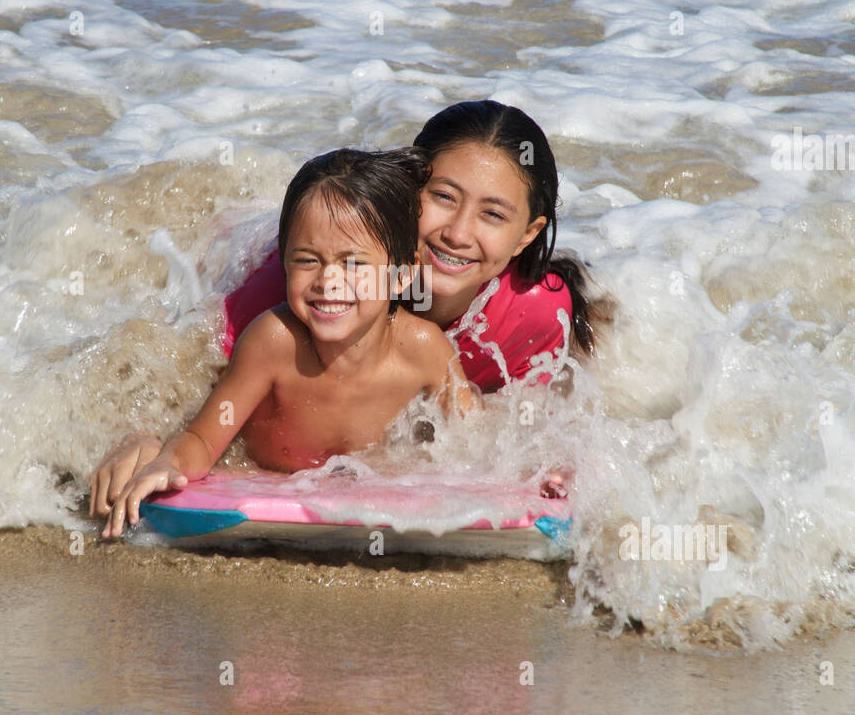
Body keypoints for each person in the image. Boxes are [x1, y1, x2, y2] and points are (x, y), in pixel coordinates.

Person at [91, 100, 610, 516]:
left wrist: (549, 463)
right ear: (407, 192)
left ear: (527, 235)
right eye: (444, 197)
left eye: (493, 214)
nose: (457, 232)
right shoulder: (295, 287)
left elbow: (498, 431)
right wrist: (143, 435)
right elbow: (191, 377)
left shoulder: (532, 314)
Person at [102, 148, 475, 538]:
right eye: (307, 260)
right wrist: (169, 463)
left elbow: (480, 440)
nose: (328, 281)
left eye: (353, 263)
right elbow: (202, 438)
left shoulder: (424, 350)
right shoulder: (274, 343)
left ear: (401, 275)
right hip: (262, 467)